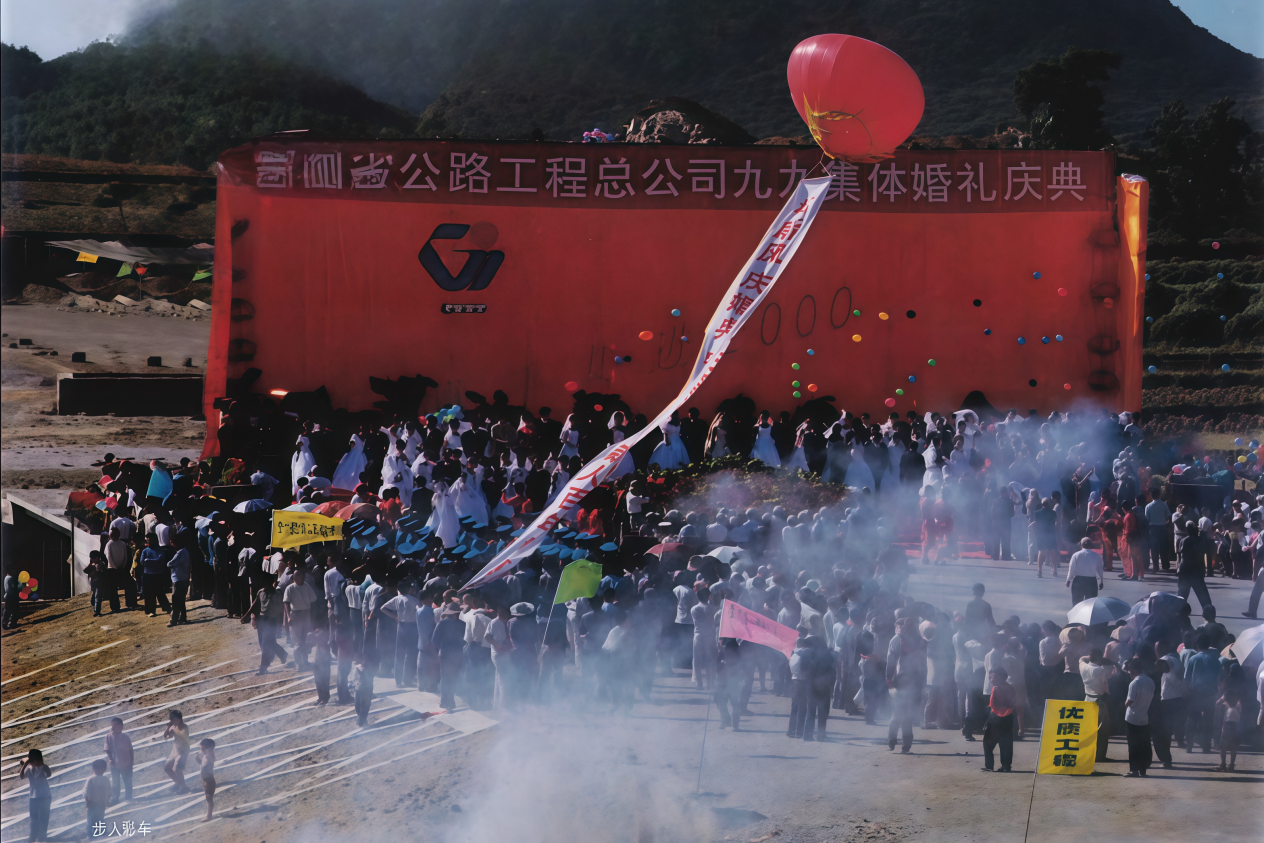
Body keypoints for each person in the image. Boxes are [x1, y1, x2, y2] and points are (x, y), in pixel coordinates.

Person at [244, 575, 288, 674]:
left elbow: (281, 609)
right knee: (266, 642)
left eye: (264, 581)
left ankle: (263, 667)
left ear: (269, 582)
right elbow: (255, 605)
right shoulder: (260, 592)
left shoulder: (277, 594)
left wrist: (281, 622)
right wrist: (247, 616)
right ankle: (282, 654)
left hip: (271, 620)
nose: (262, 582)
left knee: (265, 644)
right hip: (262, 620)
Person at [1079, 649, 1117, 761]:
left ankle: (1088, 753)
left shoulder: (1083, 666)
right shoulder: (1100, 670)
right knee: (1103, 729)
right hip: (1099, 701)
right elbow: (1105, 687)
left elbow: (1081, 658)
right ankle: (1100, 755)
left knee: (1089, 728)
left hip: (1087, 699)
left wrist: (1090, 656)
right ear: (1099, 658)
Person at [1123, 657, 1154, 777]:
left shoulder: (1134, 683)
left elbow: (1130, 700)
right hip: (1144, 717)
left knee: (1133, 745)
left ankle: (1134, 770)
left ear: (1134, 670)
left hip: (1132, 718)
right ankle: (1143, 770)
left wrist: (1125, 705)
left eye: (1130, 669)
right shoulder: (1150, 681)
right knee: (1144, 745)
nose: (1129, 672)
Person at [981, 666, 1016, 772]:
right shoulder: (1011, 687)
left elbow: (994, 707)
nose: (991, 680)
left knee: (988, 742)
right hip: (1009, 717)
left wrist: (988, 721)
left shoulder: (996, 689)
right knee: (1006, 742)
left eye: (992, 677)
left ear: (1000, 677)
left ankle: (989, 765)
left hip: (997, 718)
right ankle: (1006, 766)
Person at [1176, 522, 1213, 613]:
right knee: (1202, 593)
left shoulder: (1183, 540)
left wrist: (1178, 568)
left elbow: (1181, 556)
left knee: (1182, 593)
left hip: (1185, 570)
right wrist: (1208, 569)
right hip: (1197, 569)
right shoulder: (1201, 540)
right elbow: (1206, 554)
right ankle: (1208, 611)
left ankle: (1178, 610)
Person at [20, 749, 52, 843]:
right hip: (33, 797)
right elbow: (21, 776)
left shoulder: (44, 767)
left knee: (43, 819)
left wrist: (29, 763)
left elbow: (49, 774)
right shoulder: (29, 768)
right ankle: (32, 838)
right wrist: (26, 764)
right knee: (33, 819)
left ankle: (41, 838)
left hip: (44, 797)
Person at [1065, 538, 1104, 605]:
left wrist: (1068, 580)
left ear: (1081, 545)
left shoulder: (1076, 555)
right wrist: (1101, 581)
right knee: (1091, 604)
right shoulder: (1097, 556)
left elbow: (1072, 569)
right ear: (1091, 545)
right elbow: (1100, 569)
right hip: (1091, 581)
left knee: (1077, 604)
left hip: (1078, 581)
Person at [103, 717, 134, 804]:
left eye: (116, 725)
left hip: (126, 763)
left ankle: (128, 797)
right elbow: (107, 748)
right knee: (115, 782)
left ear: (121, 726)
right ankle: (115, 798)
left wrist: (131, 761)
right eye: (113, 725)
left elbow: (130, 750)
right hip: (115, 764)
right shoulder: (109, 736)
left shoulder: (125, 737)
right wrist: (110, 758)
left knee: (128, 781)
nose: (113, 727)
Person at [162, 710, 191, 793]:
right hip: (175, 749)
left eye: (174, 719)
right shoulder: (172, 727)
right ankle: (178, 783)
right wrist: (168, 727)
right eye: (171, 719)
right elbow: (166, 736)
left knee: (177, 767)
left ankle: (183, 787)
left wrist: (173, 731)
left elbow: (183, 737)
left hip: (183, 750)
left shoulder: (184, 727)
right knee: (167, 768)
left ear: (179, 719)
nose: (172, 721)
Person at [1215, 686, 1242, 772]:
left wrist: (1222, 698)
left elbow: (1217, 703)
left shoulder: (1229, 709)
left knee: (1223, 747)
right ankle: (1231, 765)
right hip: (1235, 729)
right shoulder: (1237, 707)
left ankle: (1223, 764)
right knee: (1233, 748)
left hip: (1227, 728)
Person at [83, 759, 110, 839]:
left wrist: (87, 802)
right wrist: (107, 801)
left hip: (95, 803)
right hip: (97, 803)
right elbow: (109, 792)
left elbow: (86, 792)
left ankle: (92, 835)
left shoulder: (92, 779)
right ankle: (95, 834)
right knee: (97, 819)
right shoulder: (104, 779)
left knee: (94, 819)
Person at [195, 738, 216, 821]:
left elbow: (207, 765)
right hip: (205, 779)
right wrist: (197, 759)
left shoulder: (210, 755)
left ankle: (209, 816)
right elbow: (202, 763)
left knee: (209, 797)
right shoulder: (206, 755)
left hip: (209, 780)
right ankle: (208, 815)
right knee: (208, 797)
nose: (201, 750)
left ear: (209, 748)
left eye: (203, 748)